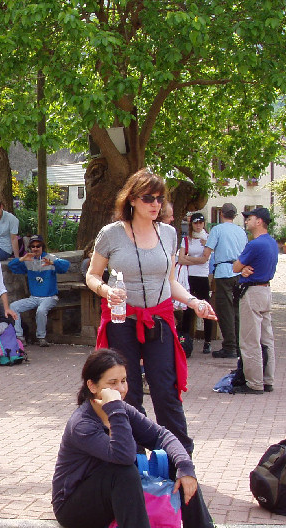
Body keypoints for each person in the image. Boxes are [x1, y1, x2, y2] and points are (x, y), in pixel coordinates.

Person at [52, 348, 245, 528]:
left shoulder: (122, 410)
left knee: (176, 464)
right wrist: (115, 410)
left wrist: (186, 468)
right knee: (123, 469)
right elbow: (122, 456)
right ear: (92, 386)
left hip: (113, 496)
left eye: (123, 381)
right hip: (75, 506)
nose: (121, 389)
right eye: (112, 383)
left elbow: (162, 436)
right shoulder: (82, 424)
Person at [84, 169, 215, 453]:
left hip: (159, 318)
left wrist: (194, 302)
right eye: (148, 198)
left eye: (159, 198)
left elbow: (169, 282)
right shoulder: (111, 234)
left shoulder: (168, 234)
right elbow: (92, 275)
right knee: (126, 392)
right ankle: (134, 454)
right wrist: (107, 290)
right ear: (131, 199)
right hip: (122, 319)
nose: (155, 204)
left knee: (166, 391)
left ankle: (180, 455)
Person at [231, 206, 278, 395]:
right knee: (266, 339)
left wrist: (242, 269)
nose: (246, 221)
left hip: (251, 292)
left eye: (249, 218)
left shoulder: (254, 244)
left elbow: (235, 266)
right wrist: (244, 269)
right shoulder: (272, 243)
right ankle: (268, 379)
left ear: (259, 221)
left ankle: (254, 382)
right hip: (266, 290)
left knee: (250, 340)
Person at [7, 234, 70, 347]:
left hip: (50, 297)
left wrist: (53, 263)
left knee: (41, 310)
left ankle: (41, 337)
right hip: (34, 297)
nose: (35, 248)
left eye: (38, 246)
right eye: (33, 246)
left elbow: (65, 266)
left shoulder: (50, 257)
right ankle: (19, 337)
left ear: (42, 247)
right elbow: (12, 266)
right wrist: (22, 259)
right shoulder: (28, 260)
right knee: (13, 307)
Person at [202, 202, 246, 358]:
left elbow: (207, 253)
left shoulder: (217, 229)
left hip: (223, 272)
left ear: (221, 214)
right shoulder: (241, 231)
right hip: (239, 272)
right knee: (237, 310)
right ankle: (240, 345)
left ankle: (229, 346)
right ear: (234, 216)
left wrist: (201, 249)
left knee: (224, 310)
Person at [177, 213, 213, 354]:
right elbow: (180, 259)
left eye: (200, 222)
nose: (198, 225)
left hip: (202, 276)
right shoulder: (187, 239)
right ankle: (185, 340)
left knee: (205, 307)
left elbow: (205, 259)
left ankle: (207, 341)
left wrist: (189, 258)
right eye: (195, 223)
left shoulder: (207, 238)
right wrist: (194, 259)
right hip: (189, 276)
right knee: (188, 309)